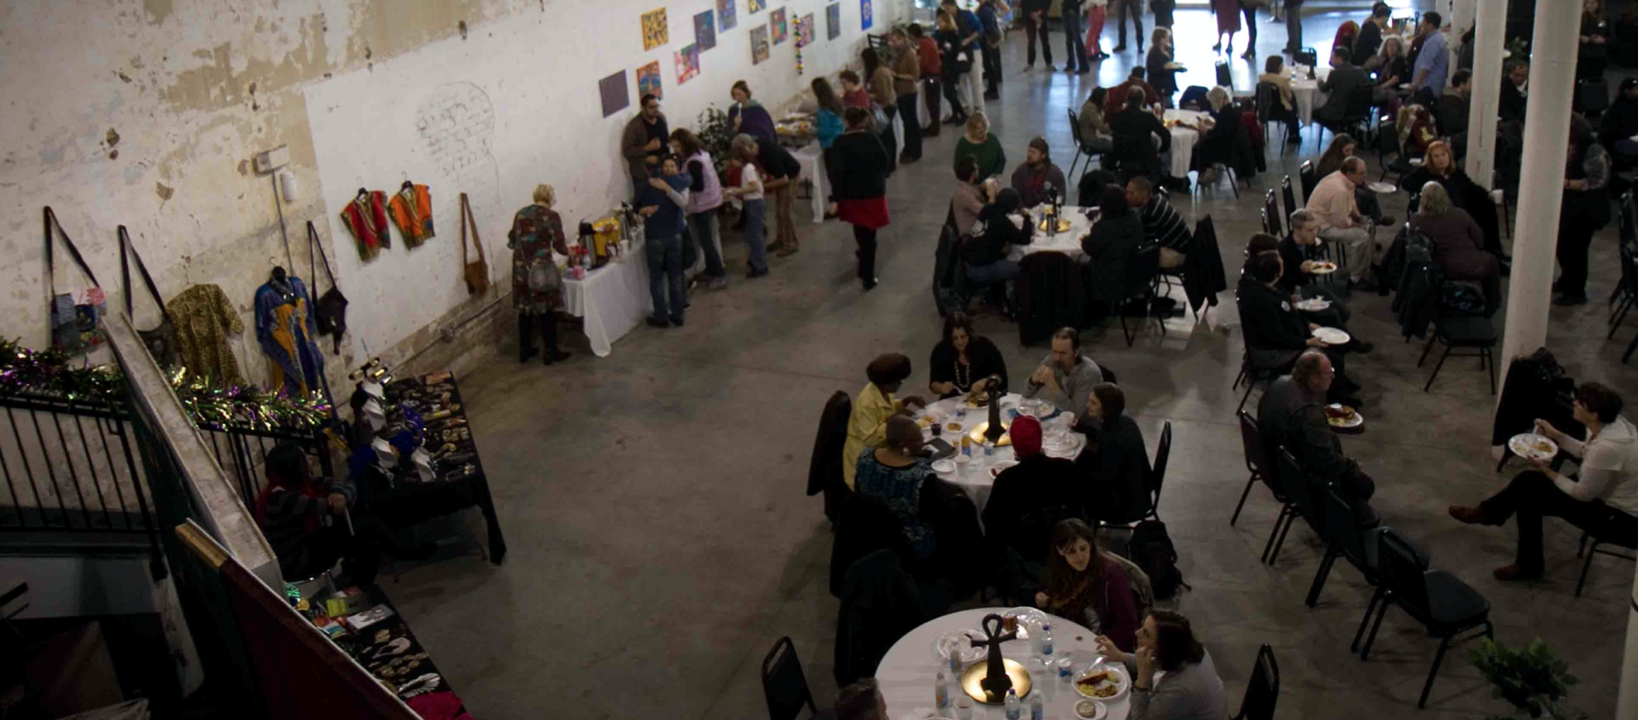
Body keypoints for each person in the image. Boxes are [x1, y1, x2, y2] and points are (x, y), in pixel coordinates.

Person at [1450, 382, 1638, 581]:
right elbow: (1586, 452)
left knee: (1528, 491)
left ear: (1594, 414)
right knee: (1528, 488)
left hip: (1620, 519)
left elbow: (1583, 494)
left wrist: (1547, 471)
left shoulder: (1607, 448)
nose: (1574, 403)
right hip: (1601, 491)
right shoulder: (1611, 424)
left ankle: (1493, 521)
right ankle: (1500, 530)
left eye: (1580, 403)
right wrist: (1556, 435)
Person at [255, 443, 410, 586]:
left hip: (308, 543)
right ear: (295, 466)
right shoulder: (280, 498)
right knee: (365, 527)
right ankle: (372, 575)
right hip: (295, 560)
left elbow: (333, 484)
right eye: (304, 457)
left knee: (362, 520)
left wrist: (339, 492)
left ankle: (366, 575)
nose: (310, 458)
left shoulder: (298, 482)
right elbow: (333, 506)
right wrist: (348, 489)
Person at [1257, 351, 1377, 526]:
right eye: (1329, 373)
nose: (1333, 376)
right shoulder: (1309, 413)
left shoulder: (1279, 383)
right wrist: (1351, 465)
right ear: (1313, 377)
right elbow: (1326, 463)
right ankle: (1340, 526)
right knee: (1364, 485)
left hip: (1271, 462)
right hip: (1294, 479)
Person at [1238, 253, 1364, 407]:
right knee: (1331, 358)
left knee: (1331, 342)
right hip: (1273, 353)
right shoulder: (1263, 302)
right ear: (1277, 273)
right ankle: (1336, 400)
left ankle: (1340, 382)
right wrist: (1308, 342)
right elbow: (1277, 338)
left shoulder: (1271, 288)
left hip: (1286, 339)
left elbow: (1291, 314)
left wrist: (1308, 325)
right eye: (1282, 265)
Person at [1095, 611, 1228, 720]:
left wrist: (1142, 682)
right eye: (1142, 626)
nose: (1137, 633)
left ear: (1164, 648)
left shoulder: (1180, 689)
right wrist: (1121, 656)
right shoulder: (1187, 649)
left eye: (1146, 634)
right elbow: (1153, 660)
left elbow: (1140, 718)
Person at [1035, 519, 1141, 651]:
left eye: (1083, 548)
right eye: (1071, 551)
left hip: (1101, 646)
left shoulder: (1111, 576)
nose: (1080, 557)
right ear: (1060, 551)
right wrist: (1045, 597)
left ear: (1090, 544)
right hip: (1069, 637)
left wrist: (1098, 648)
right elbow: (1058, 594)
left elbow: (1128, 625)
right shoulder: (1061, 568)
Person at [854, 415, 939, 559]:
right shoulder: (921, 476)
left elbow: (858, 489)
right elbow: (932, 514)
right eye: (918, 439)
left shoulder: (864, 456)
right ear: (902, 444)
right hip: (907, 540)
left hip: (870, 525)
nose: (923, 442)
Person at [1410, 182, 1502, 315]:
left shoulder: (1417, 220)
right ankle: (1491, 305)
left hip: (1442, 269)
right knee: (1492, 261)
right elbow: (1480, 241)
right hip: (1473, 265)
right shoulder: (1460, 213)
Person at [828, 107, 893, 292]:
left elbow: (836, 174)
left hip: (852, 195)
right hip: (873, 193)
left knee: (859, 227)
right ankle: (867, 276)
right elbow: (885, 162)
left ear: (846, 122)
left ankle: (863, 256)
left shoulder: (839, 143)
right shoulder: (872, 138)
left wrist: (835, 198)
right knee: (870, 234)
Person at [1399, 140, 1500, 258]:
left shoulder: (1454, 171)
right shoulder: (1425, 172)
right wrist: (1425, 188)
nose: (1441, 159)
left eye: (1443, 154)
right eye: (1436, 156)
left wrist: (1487, 195)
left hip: (1461, 206)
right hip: (1444, 210)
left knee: (1488, 206)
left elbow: (1470, 187)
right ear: (1431, 160)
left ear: (1449, 156)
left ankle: (1494, 250)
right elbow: (1406, 183)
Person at [508, 184, 572, 364]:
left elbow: (512, 240)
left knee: (525, 307)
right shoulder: (551, 216)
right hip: (541, 269)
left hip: (521, 268)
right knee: (546, 308)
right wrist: (571, 252)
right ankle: (551, 351)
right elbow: (559, 245)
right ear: (550, 197)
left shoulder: (520, 213)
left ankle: (525, 350)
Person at [842, 353, 925, 490]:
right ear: (887, 383)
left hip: (881, 448)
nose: (900, 384)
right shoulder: (866, 403)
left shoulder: (882, 391)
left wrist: (905, 402)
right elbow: (871, 439)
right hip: (865, 461)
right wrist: (896, 421)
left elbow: (885, 410)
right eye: (898, 381)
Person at [1075, 383, 1152, 525]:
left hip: (1124, 506)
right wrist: (1081, 427)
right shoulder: (1125, 422)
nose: (1087, 405)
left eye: (1093, 403)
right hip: (1140, 492)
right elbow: (1102, 436)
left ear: (1106, 408)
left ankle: (1079, 523)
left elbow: (1103, 479)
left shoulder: (1111, 441)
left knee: (1073, 480)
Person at [1555, 115, 1612, 306]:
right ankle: (1566, 279)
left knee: (1577, 250)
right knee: (1563, 245)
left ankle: (1576, 291)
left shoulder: (1592, 149)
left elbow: (1598, 181)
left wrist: (1567, 183)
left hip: (1588, 209)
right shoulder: (1573, 146)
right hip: (1572, 206)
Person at [1306, 157, 1386, 288]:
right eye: (1361, 173)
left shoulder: (1345, 180)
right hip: (1320, 226)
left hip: (1331, 220)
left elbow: (1351, 203)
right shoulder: (1340, 190)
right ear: (1349, 173)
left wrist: (1360, 218)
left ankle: (1366, 265)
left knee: (1369, 223)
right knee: (1361, 236)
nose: (1365, 176)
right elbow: (1341, 222)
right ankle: (1355, 279)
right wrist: (1358, 225)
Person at [636, 155, 692, 328]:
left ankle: (661, 316)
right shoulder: (679, 182)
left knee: (657, 278)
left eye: (672, 166)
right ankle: (677, 314)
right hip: (672, 235)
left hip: (656, 236)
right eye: (666, 166)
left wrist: (643, 210)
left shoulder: (648, 185)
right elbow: (638, 208)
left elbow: (635, 208)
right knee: (675, 276)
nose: (669, 169)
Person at [1278, 214, 1357, 332]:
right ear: (1297, 231)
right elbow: (1282, 280)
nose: (1315, 233)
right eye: (1310, 230)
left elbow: (1310, 270)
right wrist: (1300, 270)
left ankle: (1338, 333)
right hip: (1293, 292)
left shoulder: (1309, 243)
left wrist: (1319, 266)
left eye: (1316, 228)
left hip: (1306, 286)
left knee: (1343, 310)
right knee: (1332, 314)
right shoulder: (1283, 249)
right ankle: (1342, 338)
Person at [671, 129, 728, 291]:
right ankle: (711, 270)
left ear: (685, 143)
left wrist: (679, 181)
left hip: (703, 204)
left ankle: (719, 274)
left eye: (677, 146)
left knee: (706, 242)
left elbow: (698, 186)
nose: (675, 150)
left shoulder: (693, 162)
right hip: (711, 200)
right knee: (706, 240)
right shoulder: (701, 153)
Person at [1083, 186, 1147, 314]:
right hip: (1135, 276)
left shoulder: (1103, 227)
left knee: (1080, 267)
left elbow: (1089, 248)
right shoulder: (1134, 220)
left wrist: (1086, 238)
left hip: (1110, 278)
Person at [1024, 327, 1105, 426]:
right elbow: (1025, 395)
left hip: (1086, 425)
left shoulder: (1089, 373)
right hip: (1061, 416)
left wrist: (1052, 385)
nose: (1057, 358)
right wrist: (1032, 381)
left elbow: (1075, 415)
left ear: (1075, 352)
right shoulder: (1052, 360)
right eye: (1054, 351)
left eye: (1063, 353)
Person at [963, 187, 1034, 293]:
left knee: (1007, 253)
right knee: (1024, 268)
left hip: (967, 261)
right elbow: (1025, 239)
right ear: (1011, 207)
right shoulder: (1002, 222)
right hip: (979, 269)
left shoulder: (987, 209)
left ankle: (998, 293)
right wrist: (1027, 217)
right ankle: (1014, 296)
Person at [929, 312, 1008, 399]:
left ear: (969, 334)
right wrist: (942, 388)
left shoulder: (984, 345)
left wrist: (984, 382)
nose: (960, 342)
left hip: (983, 398)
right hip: (953, 401)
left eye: (963, 336)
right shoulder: (940, 351)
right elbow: (933, 384)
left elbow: (1000, 376)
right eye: (955, 338)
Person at [725, 135, 771, 278]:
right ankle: (756, 261)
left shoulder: (747, 169)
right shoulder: (749, 167)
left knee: (755, 236)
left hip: (754, 203)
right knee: (752, 234)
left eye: (733, 160)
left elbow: (754, 187)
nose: (732, 163)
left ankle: (760, 265)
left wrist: (737, 191)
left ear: (739, 158)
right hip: (753, 202)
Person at [749, 134, 802, 258]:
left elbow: (784, 179)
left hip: (790, 176)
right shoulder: (758, 144)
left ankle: (791, 244)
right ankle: (781, 239)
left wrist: (761, 186)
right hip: (782, 175)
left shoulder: (768, 154)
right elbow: (762, 166)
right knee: (779, 212)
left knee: (786, 212)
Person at [1316, 135, 1384, 225]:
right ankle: (1372, 220)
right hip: (1332, 196)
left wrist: (1363, 183)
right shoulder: (1334, 164)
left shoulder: (1334, 159)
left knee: (1369, 192)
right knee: (1367, 196)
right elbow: (1345, 182)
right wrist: (1361, 184)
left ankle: (1376, 218)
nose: (1350, 153)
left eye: (1351, 150)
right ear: (1338, 150)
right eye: (1347, 150)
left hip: (1337, 190)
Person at [1126, 177, 1191, 269]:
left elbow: (1145, 242)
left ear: (1144, 194)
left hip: (1178, 254)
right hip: (1183, 247)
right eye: (1127, 192)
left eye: (1131, 193)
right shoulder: (1157, 199)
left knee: (1134, 260)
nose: (1127, 196)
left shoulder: (1151, 214)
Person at [1110, 89, 1171, 180]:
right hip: (1144, 157)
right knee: (1166, 154)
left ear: (1127, 99)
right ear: (1142, 100)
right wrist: (1161, 150)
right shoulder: (1148, 117)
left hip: (1122, 155)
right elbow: (1166, 135)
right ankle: (1165, 179)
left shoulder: (1116, 116)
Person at [941, 0, 987, 117]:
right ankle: (965, 107)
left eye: (947, 8)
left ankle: (979, 108)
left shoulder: (967, 15)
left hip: (973, 50)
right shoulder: (948, 19)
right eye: (944, 9)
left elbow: (979, 29)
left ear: (953, 6)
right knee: (962, 81)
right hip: (958, 53)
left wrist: (969, 39)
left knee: (975, 79)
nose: (946, 11)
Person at [862, 47, 900, 169]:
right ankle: (890, 162)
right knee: (888, 135)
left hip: (886, 106)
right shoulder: (880, 70)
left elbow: (883, 94)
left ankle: (889, 163)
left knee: (886, 136)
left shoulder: (879, 73)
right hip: (887, 105)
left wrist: (867, 95)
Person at [621, 94, 669, 189]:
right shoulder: (635, 126)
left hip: (663, 165)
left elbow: (666, 139)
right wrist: (646, 149)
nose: (656, 110)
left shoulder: (661, 118)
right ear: (643, 108)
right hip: (644, 170)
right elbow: (627, 151)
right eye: (651, 107)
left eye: (657, 106)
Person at [935, 9, 973, 126]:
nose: (939, 24)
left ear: (947, 22)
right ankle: (955, 114)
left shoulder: (954, 35)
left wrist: (943, 52)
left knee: (949, 92)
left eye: (941, 22)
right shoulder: (942, 35)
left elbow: (955, 51)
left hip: (952, 67)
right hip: (945, 66)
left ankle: (962, 113)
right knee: (949, 92)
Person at [1195, 87, 1241, 183]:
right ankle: (1207, 171)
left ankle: (1206, 172)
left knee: (1200, 146)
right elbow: (1222, 129)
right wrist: (1213, 125)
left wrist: (1204, 128)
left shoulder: (1224, 114)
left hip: (1224, 151)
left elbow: (1216, 134)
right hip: (1232, 147)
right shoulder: (1231, 110)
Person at [891, 28, 923, 164]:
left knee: (911, 123)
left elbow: (915, 76)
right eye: (892, 41)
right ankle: (908, 149)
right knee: (907, 123)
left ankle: (915, 151)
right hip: (900, 92)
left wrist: (897, 75)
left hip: (908, 92)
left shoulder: (909, 53)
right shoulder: (898, 53)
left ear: (903, 39)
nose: (893, 44)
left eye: (895, 41)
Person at [1315, 47, 1368, 127]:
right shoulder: (1360, 71)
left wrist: (1320, 81)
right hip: (1359, 111)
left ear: (1339, 59)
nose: (1330, 60)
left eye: (1332, 57)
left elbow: (1324, 88)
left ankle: (1334, 130)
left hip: (1338, 113)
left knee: (1314, 112)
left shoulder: (1335, 73)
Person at [1258, 55, 1304, 145]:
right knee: (1294, 105)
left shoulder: (1261, 78)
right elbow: (1289, 96)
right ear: (1279, 67)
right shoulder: (1282, 80)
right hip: (1282, 110)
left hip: (1266, 109)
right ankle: (1293, 135)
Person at [1011, 137, 1068, 208]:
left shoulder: (1055, 174)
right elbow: (1015, 196)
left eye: (1033, 152)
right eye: (1029, 151)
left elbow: (1060, 198)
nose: (1029, 155)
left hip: (1047, 211)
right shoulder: (1021, 171)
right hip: (1025, 211)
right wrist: (1023, 209)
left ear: (1043, 155)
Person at [911, 24, 945, 138]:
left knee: (932, 103)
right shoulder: (928, 39)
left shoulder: (923, 43)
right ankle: (934, 125)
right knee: (935, 103)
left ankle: (934, 128)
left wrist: (918, 72)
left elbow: (924, 62)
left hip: (931, 76)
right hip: (936, 73)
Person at [952, 155, 999, 235]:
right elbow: (988, 213)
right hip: (972, 236)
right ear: (972, 173)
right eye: (977, 168)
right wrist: (992, 194)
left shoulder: (966, 187)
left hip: (978, 231)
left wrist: (981, 186)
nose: (979, 169)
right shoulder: (963, 194)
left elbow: (973, 191)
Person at [954, 112, 1007, 182]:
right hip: (970, 184)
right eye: (978, 129)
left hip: (991, 182)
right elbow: (957, 167)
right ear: (971, 130)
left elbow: (1002, 159)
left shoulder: (992, 139)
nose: (982, 131)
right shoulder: (963, 143)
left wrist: (994, 176)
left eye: (984, 127)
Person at [1409, 11, 1448, 105]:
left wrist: (1416, 84)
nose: (1421, 26)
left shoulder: (1434, 42)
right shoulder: (1432, 39)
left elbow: (1426, 66)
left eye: (1423, 23)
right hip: (1427, 86)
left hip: (1428, 88)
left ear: (1430, 25)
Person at [1600, 78, 1638, 165]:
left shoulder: (1635, 102)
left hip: (1630, 137)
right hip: (1617, 141)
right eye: (1636, 89)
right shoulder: (1618, 107)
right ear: (1627, 91)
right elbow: (1622, 130)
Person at [1435, 69, 1473, 155]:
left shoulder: (1462, 97)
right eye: (1470, 83)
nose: (1472, 86)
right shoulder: (1449, 101)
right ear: (1461, 84)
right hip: (1452, 138)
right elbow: (1453, 125)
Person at [1371, 37, 1411, 105]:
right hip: (1384, 87)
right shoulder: (1386, 61)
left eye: (1394, 45)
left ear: (1398, 48)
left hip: (1394, 90)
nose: (1391, 47)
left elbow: (1395, 79)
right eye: (1389, 45)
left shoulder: (1399, 60)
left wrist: (1380, 87)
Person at [1145, 28, 1179, 108]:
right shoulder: (1153, 52)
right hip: (1159, 85)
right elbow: (1151, 70)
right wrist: (1164, 67)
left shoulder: (1167, 49)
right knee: (1163, 107)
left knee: (1168, 105)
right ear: (1160, 39)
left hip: (1167, 84)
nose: (1168, 39)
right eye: (1166, 37)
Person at [977, 0, 1003, 100]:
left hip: (987, 41)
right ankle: (992, 89)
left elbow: (989, 27)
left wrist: (980, 33)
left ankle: (993, 90)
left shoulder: (986, 10)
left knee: (989, 65)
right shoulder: (986, 8)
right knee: (989, 65)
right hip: (987, 40)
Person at [811, 77, 847, 151]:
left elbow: (825, 132)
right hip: (841, 138)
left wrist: (814, 131)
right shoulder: (837, 100)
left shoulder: (823, 110)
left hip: (830, 145)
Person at [1079, 87, 1117, 154]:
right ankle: (1107, 160)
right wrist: (1113, 126)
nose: (1107, 100)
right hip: (1089, 141)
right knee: (1117, 146)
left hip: (1088, 138)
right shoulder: (1091, 109)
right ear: (1100, 99)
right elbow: (1102, 128)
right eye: (1105, 98)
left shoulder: (1091, 105)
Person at [1021, 0, 1056, 71]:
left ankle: (1049, 63)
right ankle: (1030, 63)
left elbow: (1048, 2)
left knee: (1045, 40)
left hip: (1042, 16)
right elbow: (1024, 3)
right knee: (1031, 41)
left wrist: (1040, 12)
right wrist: (1032, 14)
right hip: (1029, 16)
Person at [1354, 2, 1390, 69]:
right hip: (1363, 62)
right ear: (1383, 17)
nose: (1386, 22)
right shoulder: (1373, 28)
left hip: (1360, 58)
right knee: (1387, 60)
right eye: (1387, 19)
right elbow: (1381, 46)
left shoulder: (1370, 24)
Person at [1499, 60, 1529, 125]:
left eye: (1522, 76)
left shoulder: (1531, 86)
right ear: (1511, 73)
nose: (1519, 78)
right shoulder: (1503, 85)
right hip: (1507, 122)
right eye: (1516, 75)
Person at [1073, 0, 1100, 72]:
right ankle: (1088, 51)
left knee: (1096, 30)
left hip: (1075, 8)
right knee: (1092, 30)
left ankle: (1095, 50)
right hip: (1092, 6)